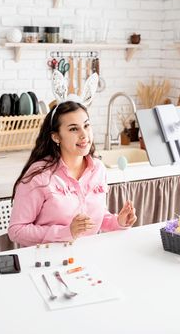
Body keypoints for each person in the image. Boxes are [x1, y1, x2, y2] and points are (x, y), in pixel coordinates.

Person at [8, 100, 137, 246]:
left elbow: (94, 219)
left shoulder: (98, 169)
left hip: (88, 256)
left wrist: (117, 222)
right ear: (56, 137)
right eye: (73, 129)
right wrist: (66, 232)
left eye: (86, 126)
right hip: (49, 260)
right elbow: (16, 231)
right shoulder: (39, 175)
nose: (84, 135)